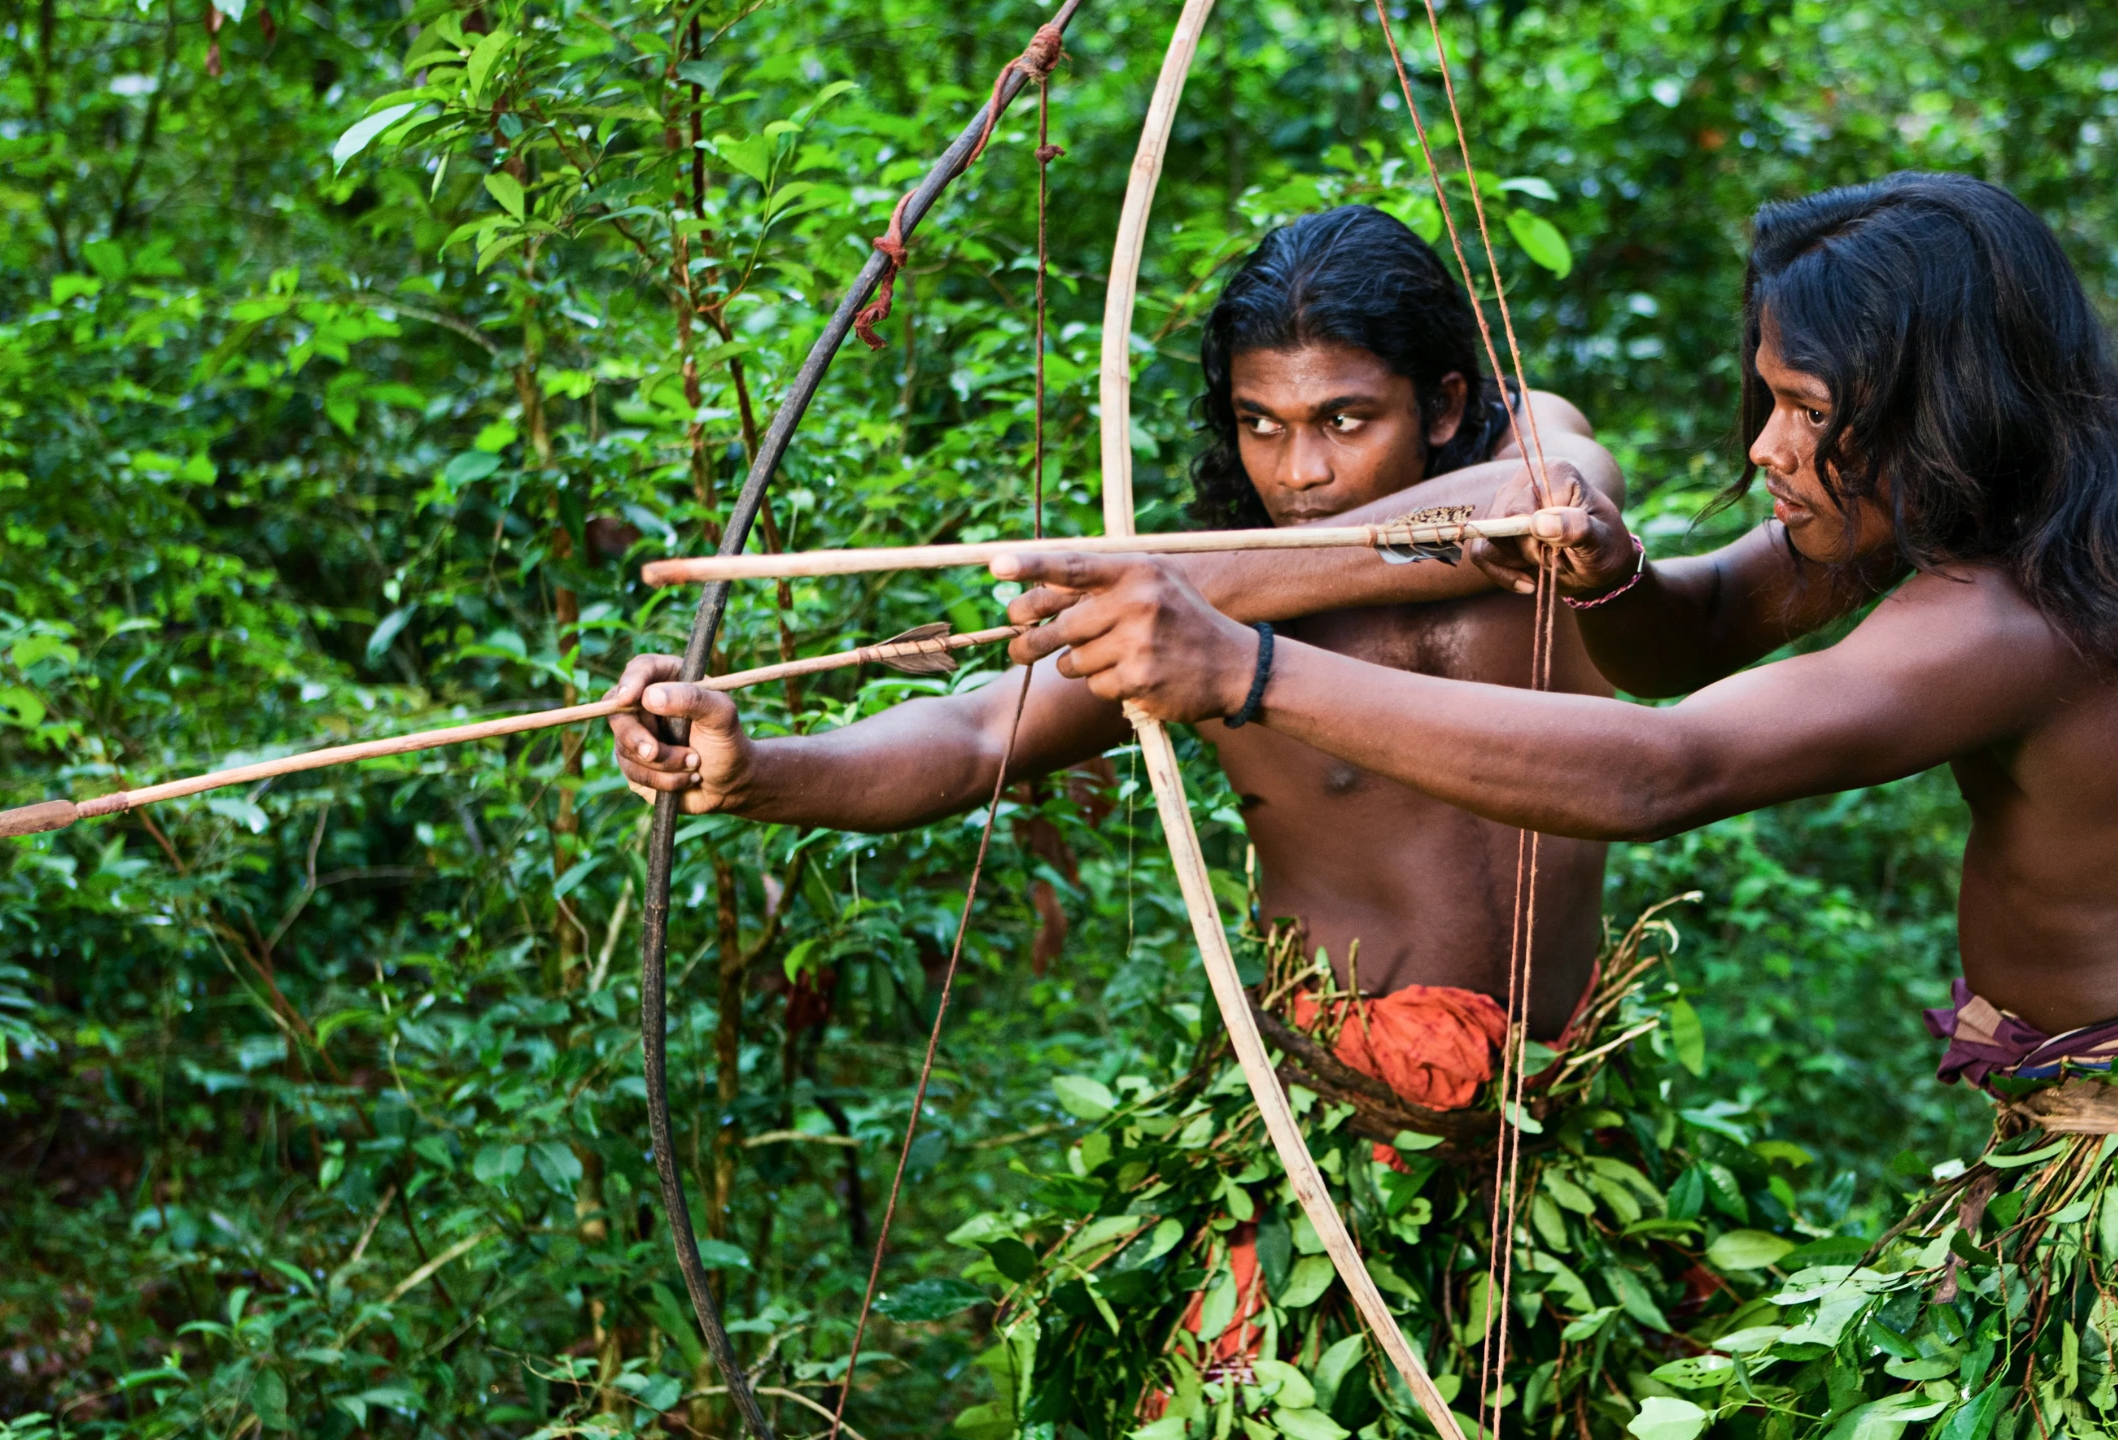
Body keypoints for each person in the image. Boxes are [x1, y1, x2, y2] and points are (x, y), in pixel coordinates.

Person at [990, 174, 2118, 1437]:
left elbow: (1672, 766)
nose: (1763, 448)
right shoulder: (2042, 478)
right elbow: (1696, 627)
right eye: (1766, 400)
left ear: (1927, 405)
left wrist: (1246, 666)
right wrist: (1614, 574)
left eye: (1800, 409)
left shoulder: (2015, 610)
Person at [609, 206, 1788, 1437]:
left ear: (1444, 403)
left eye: (1345, 419)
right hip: (1331, 1144)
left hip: (1568, 1116)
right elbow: (968, 738)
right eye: (1260, 426)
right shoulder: (1175, 628)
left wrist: (1218, 582)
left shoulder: (1488, 476)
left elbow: (1548, 492)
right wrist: (753, 770)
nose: (1301, 472)